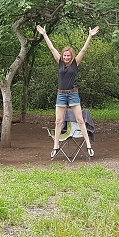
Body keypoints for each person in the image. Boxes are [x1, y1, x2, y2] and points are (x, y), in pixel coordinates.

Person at [36, 24, 98, 158]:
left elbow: (83, 51)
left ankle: (88, 145)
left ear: (71, 56)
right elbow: (52, 48)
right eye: (64, 55)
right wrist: (44, 34)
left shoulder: (75, 63)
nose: (66, 57)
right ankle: (55, 146)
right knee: (58, 121)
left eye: (68, 55)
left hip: (73, 94)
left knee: (80, 120)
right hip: (61, 95)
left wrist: (89, 36)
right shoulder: (59, 62)